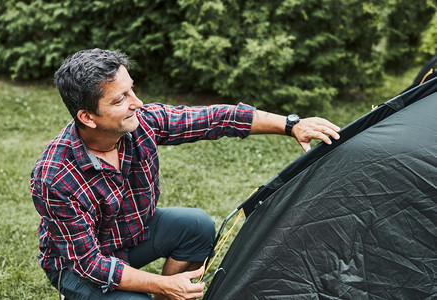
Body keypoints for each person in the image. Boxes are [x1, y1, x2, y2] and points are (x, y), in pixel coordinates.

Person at [30, 48, 340, 300]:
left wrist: (291, 125)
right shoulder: (55, 176)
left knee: (197, 227)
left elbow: (215, 119)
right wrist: (162, 284)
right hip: (78, 268)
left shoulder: (144, 122)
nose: (137, 103)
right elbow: (89, 264)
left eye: (132, 90)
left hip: (132, 235)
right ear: (87, 117)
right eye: (120, 99)